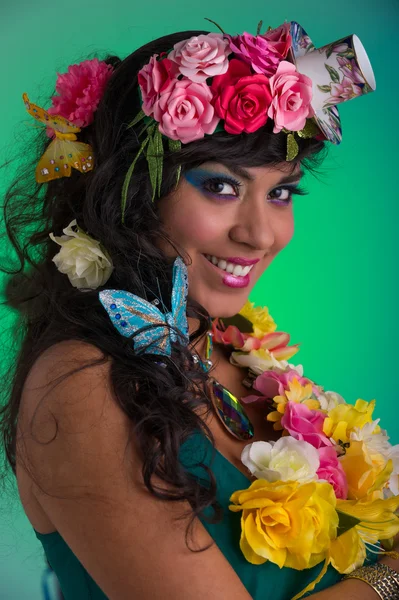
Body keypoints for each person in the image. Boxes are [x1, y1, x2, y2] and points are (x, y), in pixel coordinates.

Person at [1, 20, 398, 600]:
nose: (261, 234)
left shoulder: (229, 340)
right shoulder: (80, 390)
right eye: (220, 186)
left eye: (281, 192)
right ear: (132, 192)